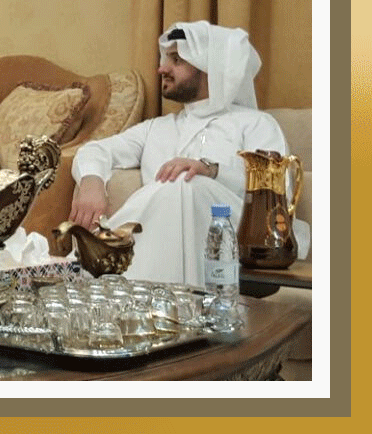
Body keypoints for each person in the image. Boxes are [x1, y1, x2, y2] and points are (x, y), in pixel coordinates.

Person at [68, 20, 305, 285]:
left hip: (236, 241)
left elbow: (276, 192)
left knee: (184, 182)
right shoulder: (156, 128)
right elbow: (96, 150)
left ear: (210, 66)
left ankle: (113, 283)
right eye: (166, 59)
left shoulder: (255, 123)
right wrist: (91, 182)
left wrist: (210, 171)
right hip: (162, 244)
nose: (162, 69)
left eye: (177, 60)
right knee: (181, 183)